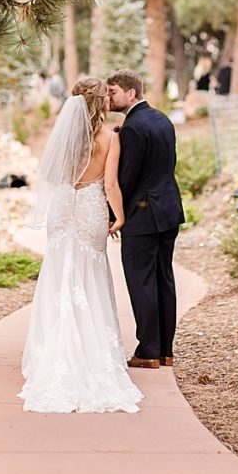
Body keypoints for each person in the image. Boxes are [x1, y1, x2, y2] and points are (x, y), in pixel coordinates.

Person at [18, 77, 143, 414]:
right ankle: (91, 356)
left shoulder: (64, 137)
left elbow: (50, 176)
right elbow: (112, 184)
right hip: (90, 209)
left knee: (59, 274)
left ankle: (52, 353)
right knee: (89, 276)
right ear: (101, 102)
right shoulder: (109, 138)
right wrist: (120, 217)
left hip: (63, 207)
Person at [106, 69, 186, 370]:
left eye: (113, 91)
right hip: (169, 210)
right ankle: (166, 350)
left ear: (131, 93)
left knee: (141, 282)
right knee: (164, 279)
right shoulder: (162, 119)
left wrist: (115, 215)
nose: (109, 97)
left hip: (143, 213)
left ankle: (148, 351)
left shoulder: (133, 128)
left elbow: (126, 178)